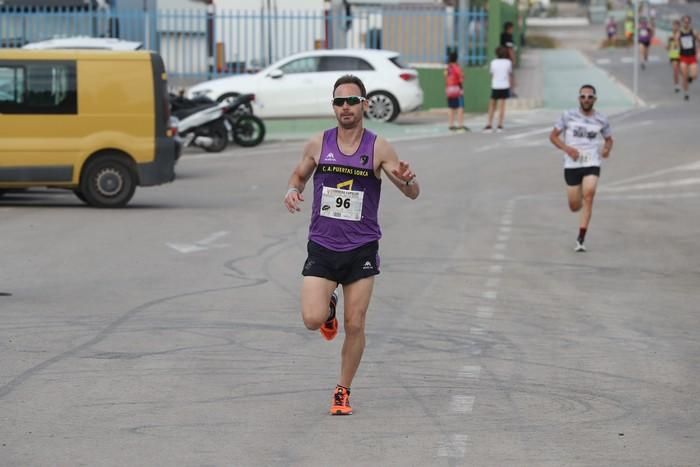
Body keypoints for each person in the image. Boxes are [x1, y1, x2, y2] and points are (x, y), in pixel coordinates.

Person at [283, 74, 420, 415]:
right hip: (323, 245)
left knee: (355, 323)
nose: (345, 107)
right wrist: (293, 189)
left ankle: (342, 390)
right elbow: (299, 174)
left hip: (361, 247)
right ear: (334, 107)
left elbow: (411, 192)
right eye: (339, 102)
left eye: (352, 101)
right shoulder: (318, 143)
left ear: (364, 104)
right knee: (312, 320)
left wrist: (409, 180)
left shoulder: (378, 147)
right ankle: (327, 307)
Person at [548, 84, 613, 252]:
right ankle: (582, 203)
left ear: (595, 99)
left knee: (589, 195)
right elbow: (553, 136)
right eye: (583, 96)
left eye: (590, 97)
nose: (586, 99)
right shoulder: (568, 115)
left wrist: (606, 149)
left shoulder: (601, 119)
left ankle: (581, 238)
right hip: (572, 164)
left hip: (591, 161)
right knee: (574, 206)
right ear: (579, 99)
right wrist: (567, 149)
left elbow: (608, 139)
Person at [484, 46, 513, 133]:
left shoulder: (493, 62)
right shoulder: (508, 62)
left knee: (492, 105)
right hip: (504, 85)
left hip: (495, 85)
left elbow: (491, 74)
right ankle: (500, 125)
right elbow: (509, 74)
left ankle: (489, 124)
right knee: (502, 106)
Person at [675, 15, 700, 101]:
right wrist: (678, 47)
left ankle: (690, 79)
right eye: (685, 22)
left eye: (687, 22)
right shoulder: (679, 33)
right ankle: (686, 93)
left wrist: (698, 52)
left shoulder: (693, 31)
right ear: (682, 23)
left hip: (692, 56)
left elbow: (699, 40)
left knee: (694, 75)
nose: (686, 23)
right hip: (683, 57)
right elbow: (677, 44)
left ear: (690, 22)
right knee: (684, 75)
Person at [444, 50, 467, 131]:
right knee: (460, 106)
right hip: (457, 89)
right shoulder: (457, 67)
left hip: (449, 89)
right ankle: (460, 124)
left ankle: (451, 124)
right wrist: (461, 87)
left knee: (451, 107)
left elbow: (445, 78)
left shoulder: (447, 68)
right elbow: (461, 78)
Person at [500, 21, 518, 97]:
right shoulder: (508, 37)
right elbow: (510, 49)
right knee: (510, 75)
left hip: (502, 58)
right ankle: (511, 92)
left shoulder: (502, 35)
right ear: (509, 28)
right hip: (507, 59)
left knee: (505, 75)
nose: (512, 30)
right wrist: (513, 59)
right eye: (512, 28)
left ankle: (507, 92)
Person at [668, 19, 681, 93]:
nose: (675, 27)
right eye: (674, 26)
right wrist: (669, 46)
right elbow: (668, 47)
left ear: (679, 27)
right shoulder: (670, 36)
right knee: (675, 70)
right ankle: (676, 85)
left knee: (682, 70)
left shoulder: (682, 34)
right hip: (674, 55)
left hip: (682, 54)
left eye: (676, 26)